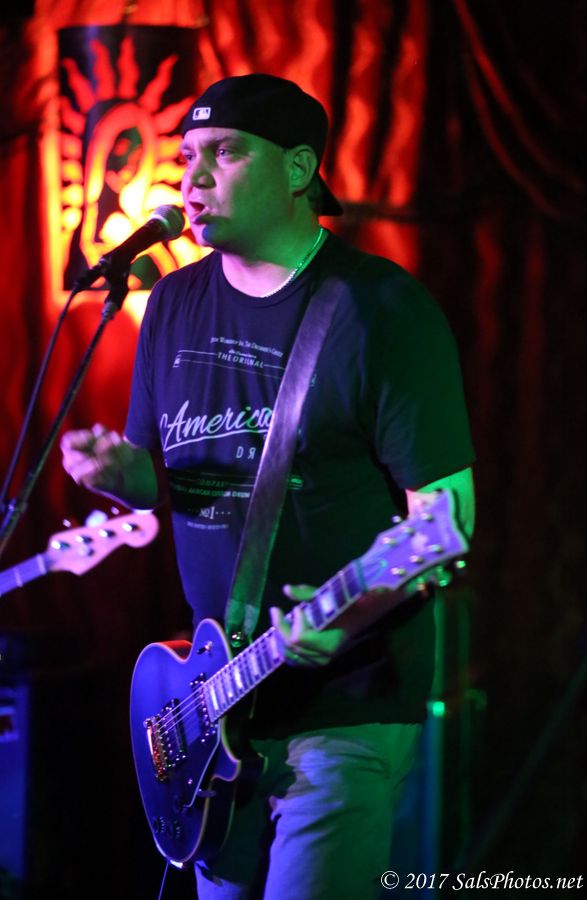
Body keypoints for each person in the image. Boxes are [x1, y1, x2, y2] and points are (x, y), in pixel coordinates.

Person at [61, 74, 475, 900]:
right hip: (213, 701)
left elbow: (444, 520)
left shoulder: (381, 310)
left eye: (224, 153)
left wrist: (347, 615)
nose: (193, 178)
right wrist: (116, 476)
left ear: (297, 169)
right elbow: (156, 479)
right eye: (186, 156)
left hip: (345, 699)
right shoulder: (171, 302)